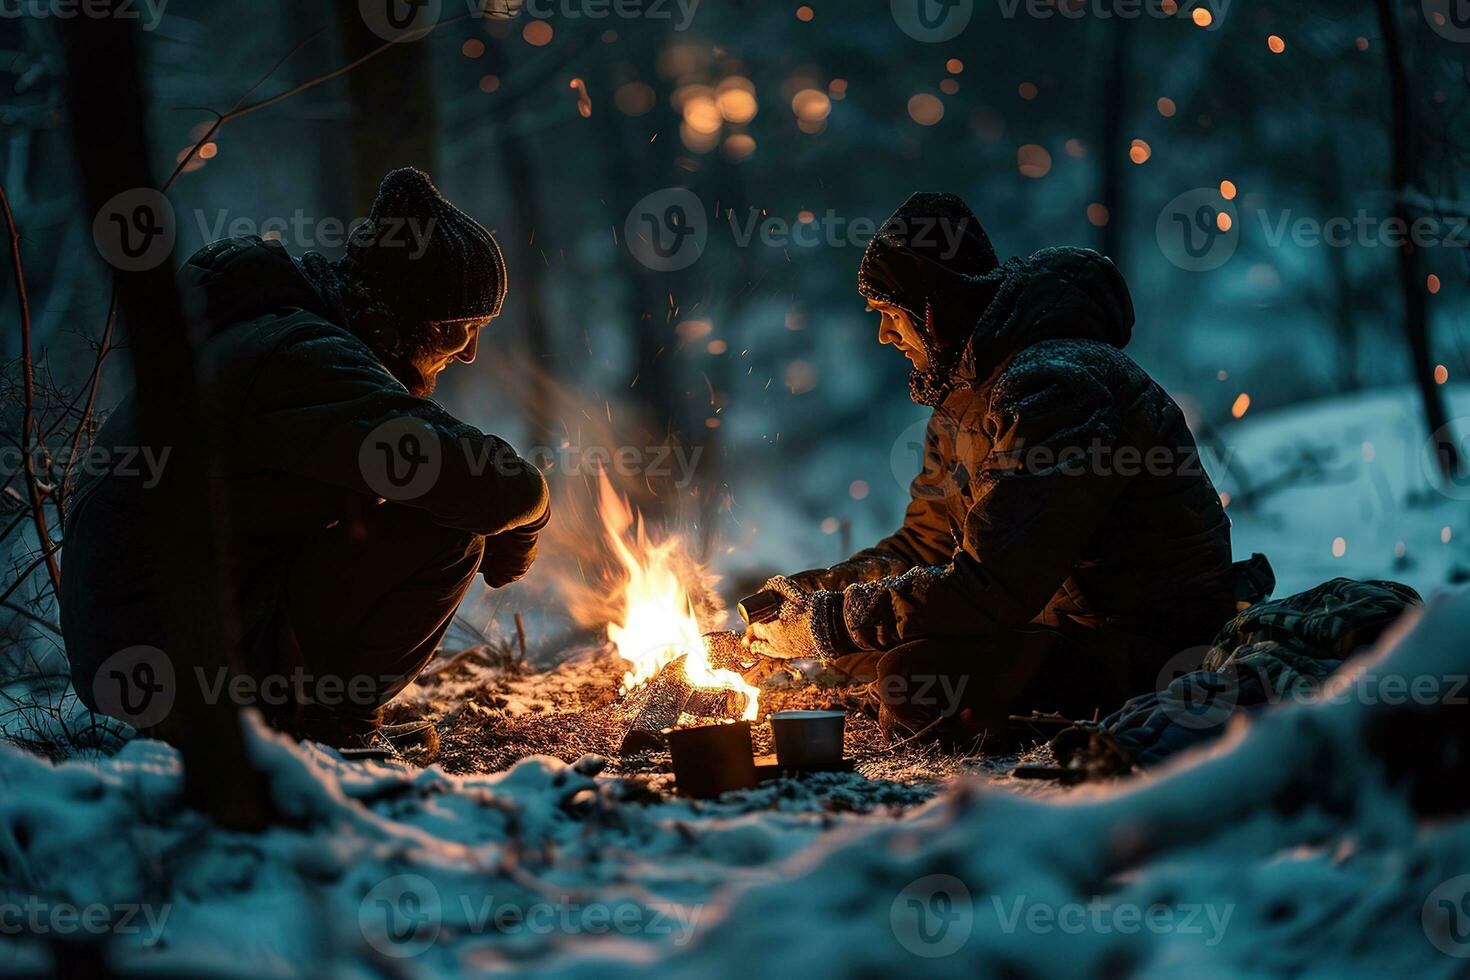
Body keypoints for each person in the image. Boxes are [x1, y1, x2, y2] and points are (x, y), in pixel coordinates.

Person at [745, 192, 1270, 748]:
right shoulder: (964, 399)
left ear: (934, 308)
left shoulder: (1055, 389)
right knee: (852, 654)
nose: (885, 335)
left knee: (908, 677)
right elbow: (922, 549)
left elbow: (993, 583)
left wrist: (828, 623)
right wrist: (802, 602)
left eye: (890, 314)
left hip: (1140, 647)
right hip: (1047, 627)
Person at [61, 168, 549, 759]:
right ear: (406, 316)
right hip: (173, 664)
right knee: (448, 528)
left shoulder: (283, 338)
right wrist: (529, 510)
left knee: (412, 498)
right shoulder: (297, 358)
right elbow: (479, 478)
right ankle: (325, 732)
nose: (470, 350)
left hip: (172, 640)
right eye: (459, 327)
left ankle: (306, 719)